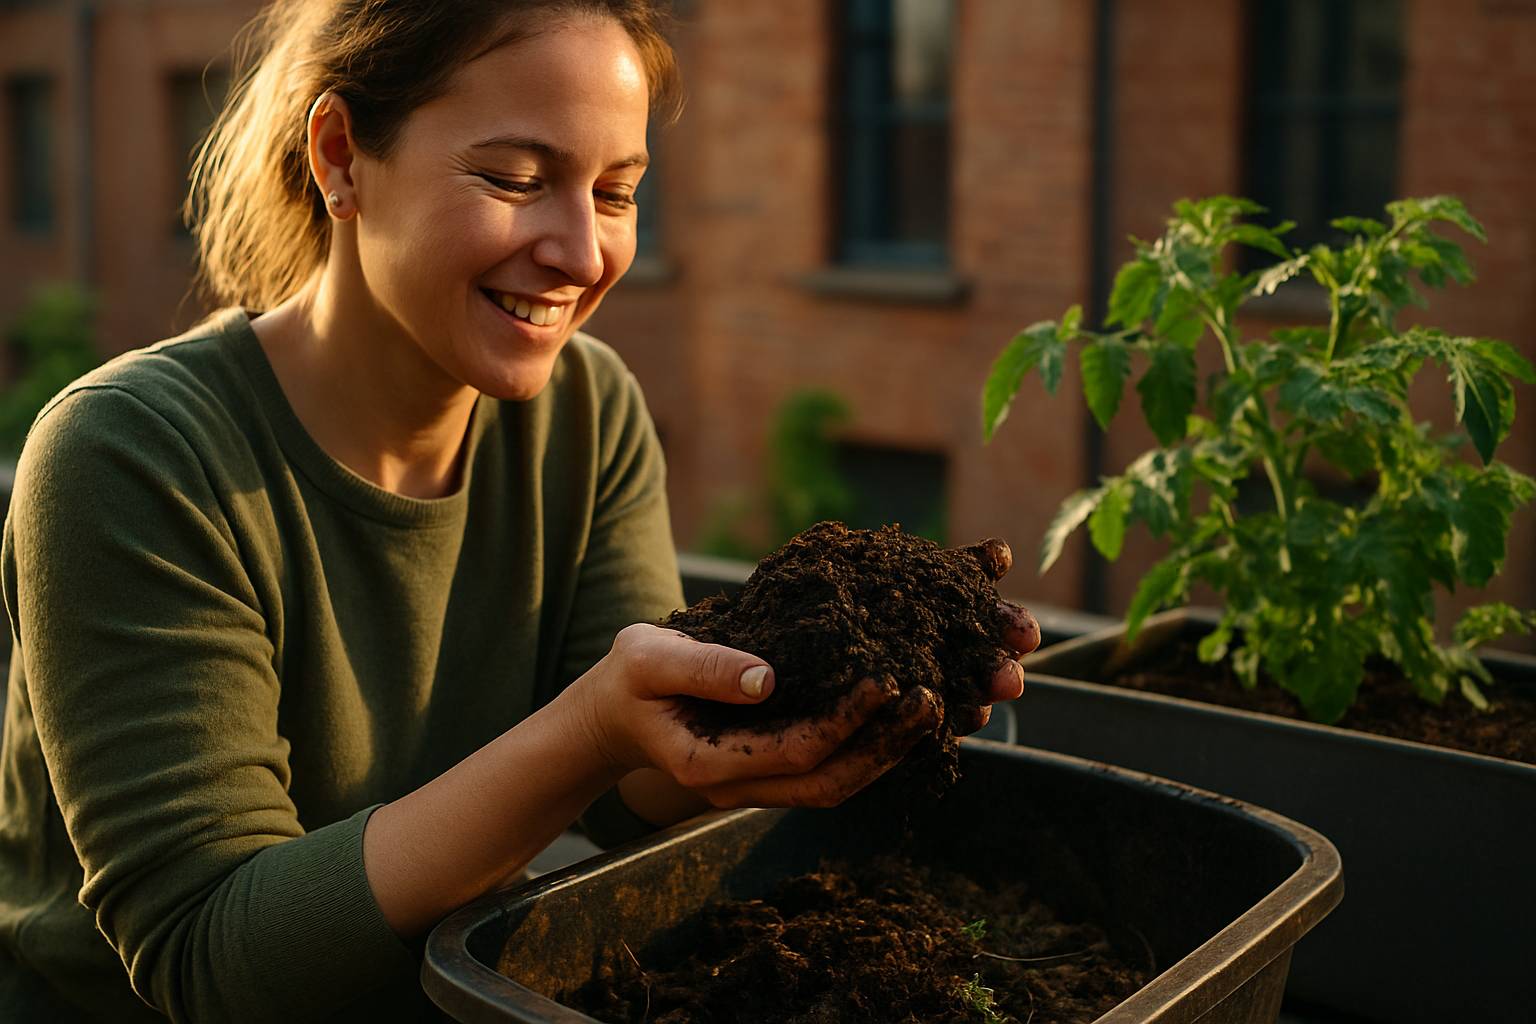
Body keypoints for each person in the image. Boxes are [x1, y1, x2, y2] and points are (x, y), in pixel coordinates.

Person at [0, 1, 1040, 1020]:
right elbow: (213, 955)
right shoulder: (131, 455)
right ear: (340, 156)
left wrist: (809, 711)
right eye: (513, 180)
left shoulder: (588, 411)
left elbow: (630, 784)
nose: (583, 255)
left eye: (619, 193)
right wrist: (590, 729)